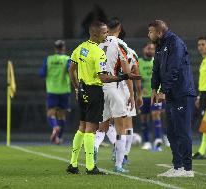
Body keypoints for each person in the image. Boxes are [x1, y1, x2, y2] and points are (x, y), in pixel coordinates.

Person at [66, 21, 140, 175]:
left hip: (83, 90)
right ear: (95, 34)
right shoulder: (106, 49)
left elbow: (71, 69)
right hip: (101, 90)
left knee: (87, 127)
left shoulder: (80, 47)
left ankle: (74, 163)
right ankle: (102, 165)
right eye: (104, 33)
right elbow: (105, 77)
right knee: (106, 128)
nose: (106, 35)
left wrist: (76, 87)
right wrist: (125, 79)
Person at [148, 20, 196, 177]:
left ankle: (187, 169)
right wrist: (154, 89)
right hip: (171, 94)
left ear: (159, 32)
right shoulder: (160, 45)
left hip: (182, 92)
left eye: (151, 32)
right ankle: (177, 167)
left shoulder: (175, 42)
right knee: (171, 131)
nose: (149, 34)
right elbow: (156, 68)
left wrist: (164, 90)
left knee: (182, 130)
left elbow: (174, 68)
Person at [95, 17, 138, 173]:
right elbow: (127, 73)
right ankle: (119, 164)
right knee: (121, 127)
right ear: (119, 28)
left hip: (98, 88)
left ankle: (93, 153)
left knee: (101, 127)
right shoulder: (121, 44)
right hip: (113, 87)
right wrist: (132, 96)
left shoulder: (97, 44)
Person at [39, 40, 71, 145]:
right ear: (63, 48)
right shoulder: (67, 59)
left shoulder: (48, 59)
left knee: (50, 114)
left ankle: (54, 126)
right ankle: (60, 138)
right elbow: (70, 71)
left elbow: (42, 74)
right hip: (64, 91)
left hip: (52, 90)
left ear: (55, 48)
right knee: (62, 115)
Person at [138, 42, 164, 151]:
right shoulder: (139, 62)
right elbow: (136, 79)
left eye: (152, 49)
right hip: (143, 95)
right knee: (144, 118)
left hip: (155, 94)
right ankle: (147, 141)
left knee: (156, 114)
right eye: (148, 48)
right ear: (144, 50)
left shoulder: (157, 62)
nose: (150, 50)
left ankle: (158, 139)